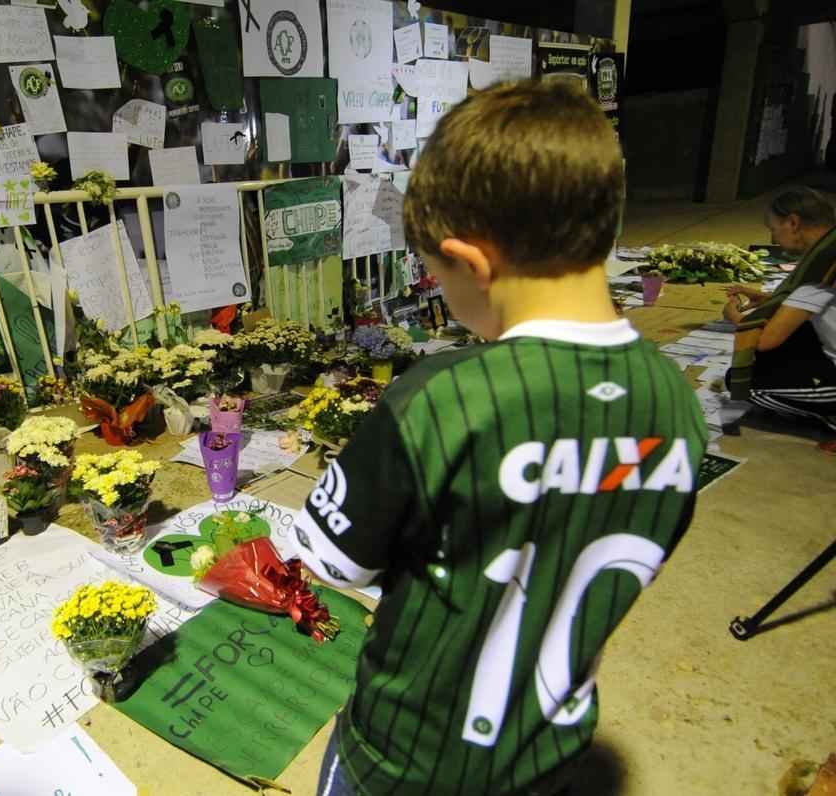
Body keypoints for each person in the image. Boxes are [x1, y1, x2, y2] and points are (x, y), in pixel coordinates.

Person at [293, 80, 707, 796]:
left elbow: (335, 563)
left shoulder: (439, 398)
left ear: (472, 263)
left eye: (436, 272)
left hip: (405, 761)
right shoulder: (678, 404)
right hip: (545, 760)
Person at [723, 188, 836, 432]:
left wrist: (737, 318)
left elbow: (765, 340)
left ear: (793, 223)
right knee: (785, 343)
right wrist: (767, 300)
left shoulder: (819, 268)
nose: (774, 240)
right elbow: (820, 303)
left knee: (740, 382)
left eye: (774, 229)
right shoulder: (830, 249)